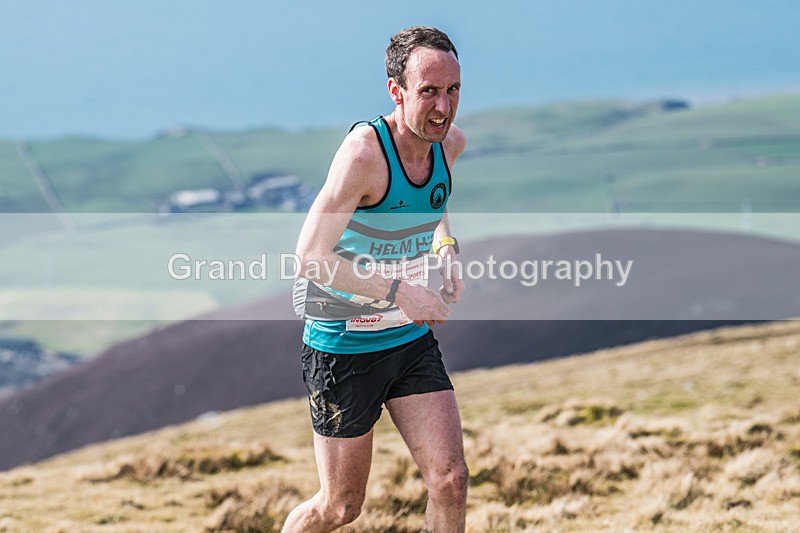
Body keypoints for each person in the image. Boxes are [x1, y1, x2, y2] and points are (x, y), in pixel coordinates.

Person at [283, 26, 467, 532]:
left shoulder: (449, 145)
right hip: (342, 348)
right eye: (428, 91)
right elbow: (309, 257)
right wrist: (399, 291)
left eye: (453, 90)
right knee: (340, 507)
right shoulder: (364, 156)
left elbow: (435, 197)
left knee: (449, 480)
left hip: (408, 341)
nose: (443, 107)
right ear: (396, 90)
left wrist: (444, 246)